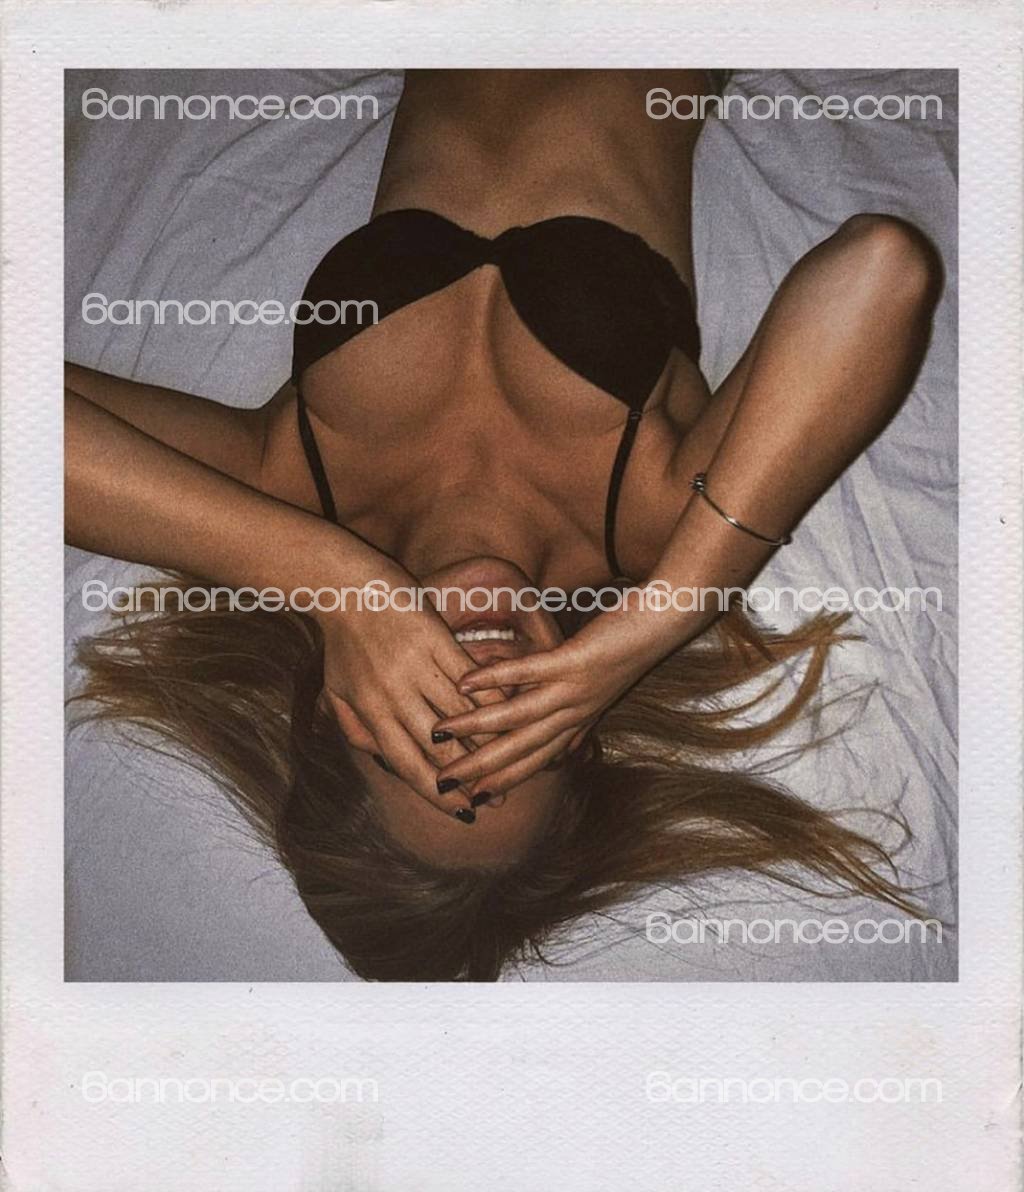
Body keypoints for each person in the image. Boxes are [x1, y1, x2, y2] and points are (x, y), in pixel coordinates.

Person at [66, 69, 942, 979]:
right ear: (578, 729)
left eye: (431, 735)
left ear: (335, 710)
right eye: (521, 743)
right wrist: (674, 608)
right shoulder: (654, 526)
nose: (479, 695)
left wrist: (328, 578)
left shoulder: (289, 487)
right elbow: (880, 268)